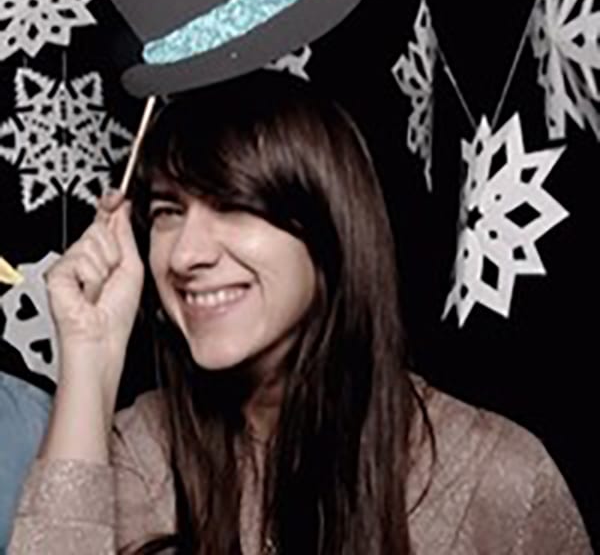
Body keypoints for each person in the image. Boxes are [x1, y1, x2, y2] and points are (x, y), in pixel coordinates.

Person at [8, 71, 592, 554]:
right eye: (167, 212)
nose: (186, 255)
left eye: (233, 204)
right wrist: (89, 354)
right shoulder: (136, 456)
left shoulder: (496, 479)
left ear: (329, 230)